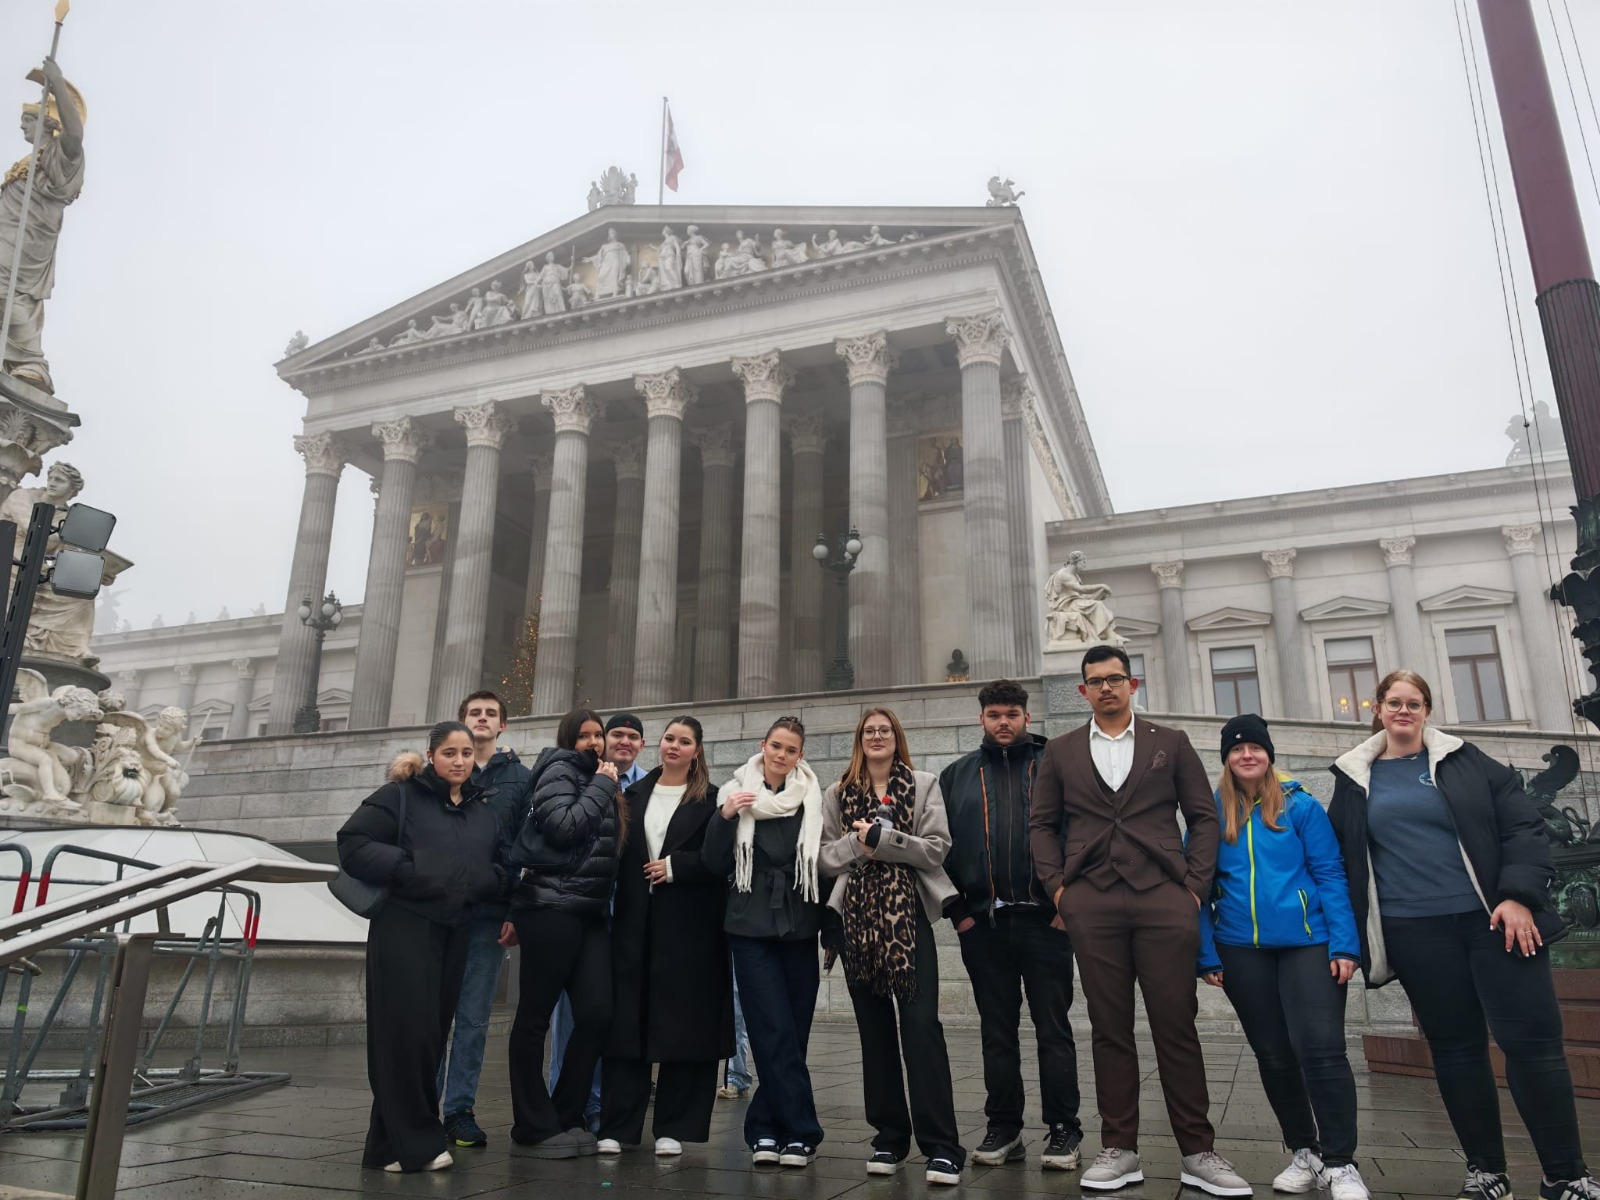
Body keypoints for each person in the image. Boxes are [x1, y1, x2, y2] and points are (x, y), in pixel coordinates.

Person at [1328, 671, 1596, 1200]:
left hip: (1495, 923)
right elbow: (1340, 858)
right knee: (1455, 1051)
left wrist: (1517, 895)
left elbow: (1523, 827)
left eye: (1415, 703)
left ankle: (1564, 1174)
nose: (1404, 711)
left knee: (1534, 1046)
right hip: (1415, 932)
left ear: (1427, 710)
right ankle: (1487, 1173)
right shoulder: (1353, 776)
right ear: (1377, 708)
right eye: (1394, 702)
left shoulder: (1467, 762)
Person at [1029, 645, 1250, 1196]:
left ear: (1133, 684)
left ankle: (1198, 1151)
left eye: (1115, 678)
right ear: (1082, 691)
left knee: (1176, 1026)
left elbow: (1202, 817)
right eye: (1095, 681)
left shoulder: (1168, 744)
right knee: (1109, 1029)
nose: (1106, 687)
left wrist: (1194, 891)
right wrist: (1060, 892)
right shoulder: (1060, 751)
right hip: (1091, 903)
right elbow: (1041, 825)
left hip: (1164, 901)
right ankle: (1120, 1148)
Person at [1197, 714, 1367, 1199]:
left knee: (1321, 1049)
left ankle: (1340, 1163)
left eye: (1255, 747)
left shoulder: (1300, 805)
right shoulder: (1210, 812)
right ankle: (1306, 1152)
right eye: (1236, 749)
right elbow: (1197, 886)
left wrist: (1345, 943)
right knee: (1273, 1054)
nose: (1246, 755)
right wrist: (1206, 955)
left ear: (1269, 754)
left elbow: (1331, 873)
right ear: (1226, 759)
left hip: (1308, 944)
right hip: (1240, 950)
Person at [336, 721, 506, 1174]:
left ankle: (385, 1148)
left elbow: (495, 861)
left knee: (429, 1038)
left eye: (467, 753)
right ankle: (419, 1142)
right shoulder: (401, 796)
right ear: (431, 755)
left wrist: (485, 882)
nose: (459, 761)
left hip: (455, 929)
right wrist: (410, 869)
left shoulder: (479, 809)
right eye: (450, 752)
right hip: (403, 927)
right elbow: (352, 842)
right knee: (404, 1037)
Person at [937, 679, 1083, 1172]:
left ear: (1027, 717)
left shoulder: (1055, 768)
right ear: (981, 718)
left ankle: (1064, 1129)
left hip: (1048, 921)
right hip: (985, 926)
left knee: (1054, 1030)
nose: (1004, 722)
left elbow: (1080, 835)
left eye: (1012, 714)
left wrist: (1069, 904)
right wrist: (960, 914)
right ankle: (1004, 1128)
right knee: (996, 1032)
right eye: (995, 714)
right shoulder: (956, 775)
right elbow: (940, 849)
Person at [821, 708, 965, 1186]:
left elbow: (936, 848)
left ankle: (941, 1146)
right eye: (869, 731)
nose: (877, 736)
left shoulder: (922, 784)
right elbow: (824, 858)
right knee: (874, 1033)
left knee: (922, 1029)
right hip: (856, 922)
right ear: (859, 740)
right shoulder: (837, 793)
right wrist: (859, 848)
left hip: (909, 923)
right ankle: (889, 1136)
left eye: (885, 730)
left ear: (896, 738)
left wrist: (882, 839)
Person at [598, 716, 732, 1156]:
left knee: (685, 1024)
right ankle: (619, 1125)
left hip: (691, 926)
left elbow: (723, 860)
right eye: (669, 738)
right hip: (635, 924)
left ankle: (674, 1127)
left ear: (697, 750)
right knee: (627, 1022)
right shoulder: (630, 794)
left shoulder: (714, 801)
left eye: (685, 741)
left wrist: (678, 867)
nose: (674, 746)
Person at [702, 717, 825, 1170]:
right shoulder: (735, 792)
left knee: (795, 1030)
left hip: (799, 925)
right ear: (763, 746)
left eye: (791, 749)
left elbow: (825, 866)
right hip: (749, 926)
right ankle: (802, 1132)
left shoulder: (812, 798)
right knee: (769, 1027)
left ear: (800, 756)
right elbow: (713, 862)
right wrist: (726, 815)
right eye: (776, 746)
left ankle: (766, 1128)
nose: (781, 755)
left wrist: (830, 931)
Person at [504, 708, 624, 1158]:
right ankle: (532, 1124)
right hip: (551, 906)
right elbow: (565, 826)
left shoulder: (596, 777)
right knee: (534, 1017)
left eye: (599, 735)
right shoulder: (559, 768)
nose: (594, 742)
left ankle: (565, 1113)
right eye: (585, 736)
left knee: (596, 1012)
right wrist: (603, 785)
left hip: (588, 911)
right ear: (568, 739)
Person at [435, 692, 531, 1150]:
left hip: (489, 911)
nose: (483, 719)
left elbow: (523, 848)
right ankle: (420, 1103)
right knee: (431, 1013)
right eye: (475, 713)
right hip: (435, 910)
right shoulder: (437, 770)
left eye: (492, 713)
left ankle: (458, 1110)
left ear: (503, 725)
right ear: (462, 721)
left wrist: (515, 909)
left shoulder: (520, 777)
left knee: (472, 1017)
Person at [547, 712, 648, 1129]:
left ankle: (602, 1103)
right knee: (570, 1014)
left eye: (632, 736)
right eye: (615, 735)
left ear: (643, 744)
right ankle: (566, 1104)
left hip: (627, 916)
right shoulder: (581, 776)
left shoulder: (649, 786)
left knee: (609, 1012)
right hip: (582, 909)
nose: (622, 742)